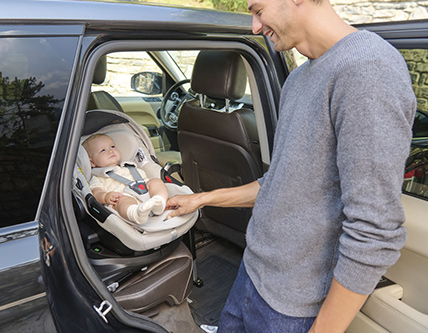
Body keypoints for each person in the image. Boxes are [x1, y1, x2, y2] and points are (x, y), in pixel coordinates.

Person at [166, 0, 417, 331]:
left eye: (258, 10)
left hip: (291, 309)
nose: (255, 27)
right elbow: (279, 182)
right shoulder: (299, 79)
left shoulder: (369, 72)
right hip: (252, 274)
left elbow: (374, 231)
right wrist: (201, 199)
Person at [82, 133, 168, 224]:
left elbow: (146, 180)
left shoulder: (130, 167)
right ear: (91, 162)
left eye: (112, 147)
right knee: (123, 200)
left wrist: (152, 187)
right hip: (125, 200)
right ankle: (135, 214)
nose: (110, 151)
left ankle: (159, 201)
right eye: (103, 150)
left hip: (148, 195)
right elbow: (96, 193)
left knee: (156, 181)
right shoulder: (97, 177)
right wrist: (105, 196)